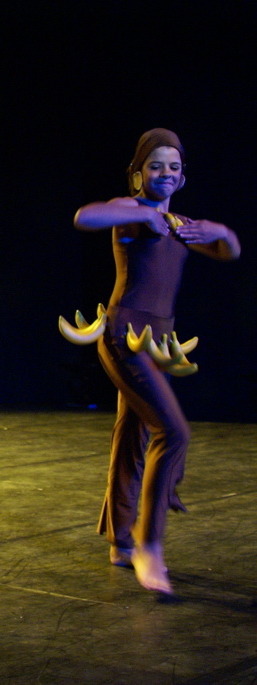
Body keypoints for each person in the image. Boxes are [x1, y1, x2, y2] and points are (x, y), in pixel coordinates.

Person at [73, 128, 240, 594]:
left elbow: (229, 252)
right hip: (123, 337)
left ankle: (121, 540)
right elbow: (85, 216)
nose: (165, 172)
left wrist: (222, 232)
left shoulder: (179, 224)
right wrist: (141, 211)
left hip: (159, 343)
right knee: (174, 430)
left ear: (182, 177)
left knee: (134, 434)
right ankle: (150, 545)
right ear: (138, 174)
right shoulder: (132, 211)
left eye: (173, 166)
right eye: (155, 165)